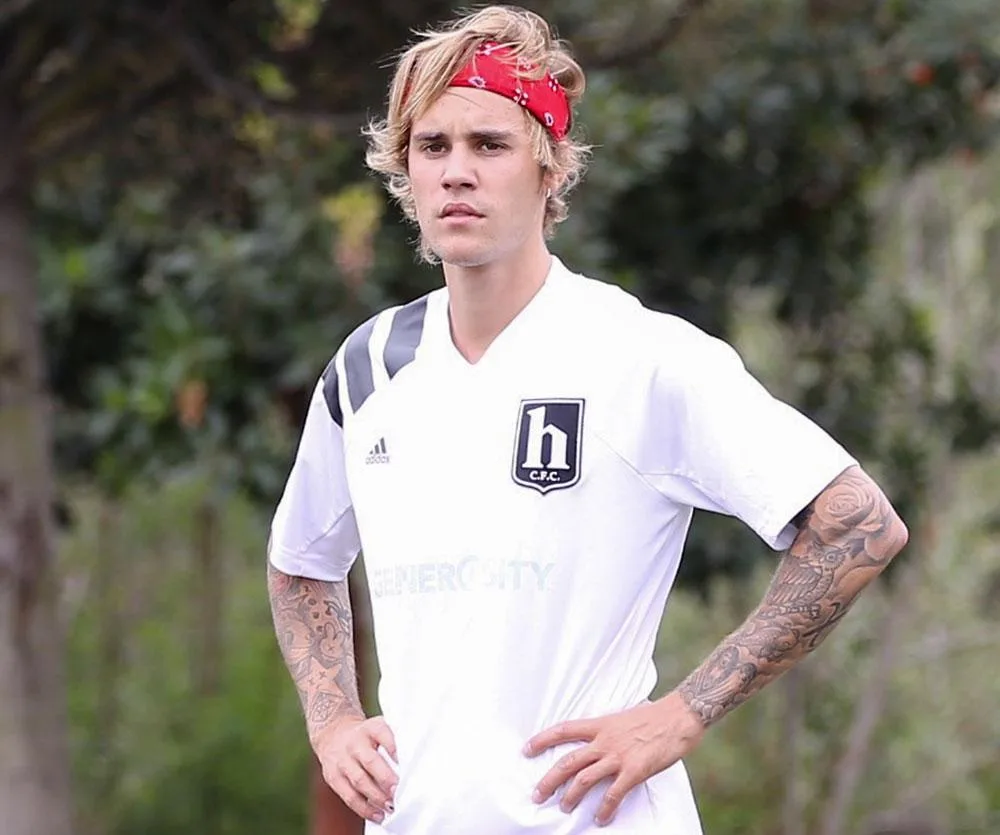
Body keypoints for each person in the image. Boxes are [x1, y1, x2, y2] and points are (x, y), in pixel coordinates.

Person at [266, 5, 909, 833]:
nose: (457, 172)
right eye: (434, 146)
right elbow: (300, 563)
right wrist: (332, 722)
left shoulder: (640, 355)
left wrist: (682, 713)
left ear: (550, 169)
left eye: (490, 145)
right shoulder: (367, 366)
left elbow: (860, 523)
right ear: (406, 170)